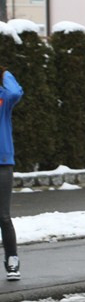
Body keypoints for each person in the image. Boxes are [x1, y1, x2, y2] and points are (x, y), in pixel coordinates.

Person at [1, 68, 23, 280]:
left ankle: (12, 261)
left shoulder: (3, 97)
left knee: (3, 217)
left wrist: (5, 73)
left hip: (2, 162)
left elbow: (15, 93)